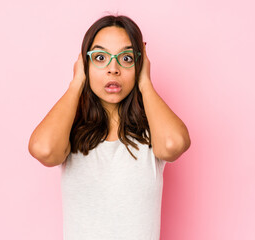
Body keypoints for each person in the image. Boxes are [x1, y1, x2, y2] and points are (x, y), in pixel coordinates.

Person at [28, 14, 191, 240]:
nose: (113, 68)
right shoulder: (71, 134)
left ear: (140, 64)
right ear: (85, 64)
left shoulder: (151, 133)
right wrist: (76, 83)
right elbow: (43, 149)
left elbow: (174, 145)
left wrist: (145, 83)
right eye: (100, 57)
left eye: (126, 59)